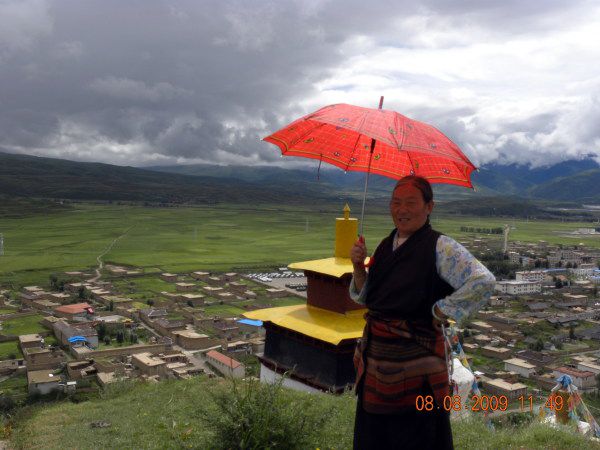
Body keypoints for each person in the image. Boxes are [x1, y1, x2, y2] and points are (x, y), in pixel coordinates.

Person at [349, 175, 496, 450]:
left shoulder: (441, 247)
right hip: (377, 362)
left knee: (417, 438)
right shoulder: (386, 245)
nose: (401, 209)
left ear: (429, 207)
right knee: (375, 438)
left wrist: (442, 310)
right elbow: (370, 297)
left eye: (410, 202)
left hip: (419, 367)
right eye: (395, 202)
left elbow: (483, 280)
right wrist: (358, 267)